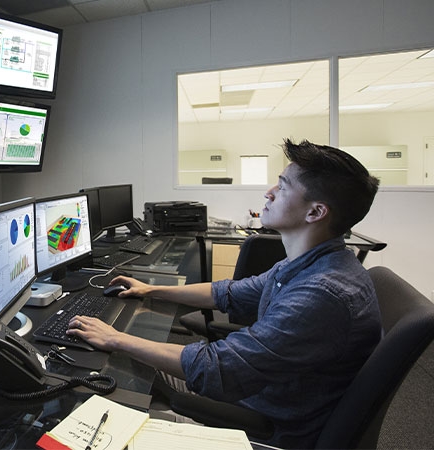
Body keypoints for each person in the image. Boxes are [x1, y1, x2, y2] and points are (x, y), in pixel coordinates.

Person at [66, 138, 382, 449]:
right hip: (264, 390)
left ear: (315, 212)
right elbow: (228, 293)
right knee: (131, 360)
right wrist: (151, 289)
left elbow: (216, 368)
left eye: (283, 186)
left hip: (265, 421)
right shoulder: (312, 264)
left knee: (110, 379)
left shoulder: (321, 295)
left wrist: (115, 339)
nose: (269, 193)